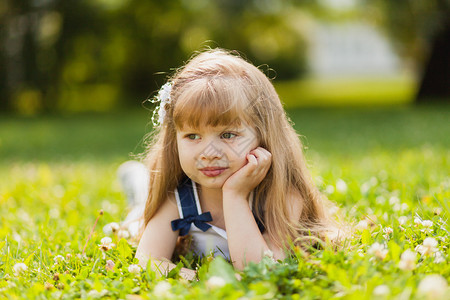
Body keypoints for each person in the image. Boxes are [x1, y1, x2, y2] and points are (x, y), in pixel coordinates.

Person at [121, 48, 341, 280]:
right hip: (151, 210)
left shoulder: (282, 197)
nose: (209, 153)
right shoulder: (180, 198)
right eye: (193, 136)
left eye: (228, 135)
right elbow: (147, 261)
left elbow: (259, 270)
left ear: (264, 136)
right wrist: (205, 280)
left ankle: (138, 182)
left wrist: (235, 195)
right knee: (135, 220)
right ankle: (138, 182)